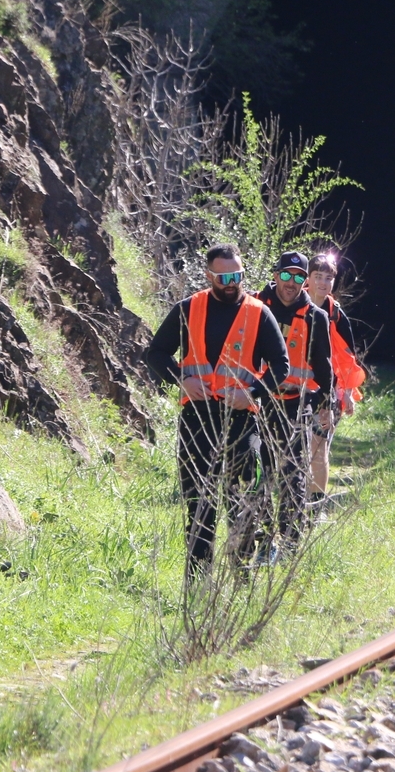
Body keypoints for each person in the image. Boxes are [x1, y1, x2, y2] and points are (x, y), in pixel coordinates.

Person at [146, 244, 288, 575]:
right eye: (223, 277)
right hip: (197, 418)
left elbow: (281, 365)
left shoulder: (258, 312)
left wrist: (252, 392)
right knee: (198, 503)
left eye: (237, 275)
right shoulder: (188, 308)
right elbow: (156, 353)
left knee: (243, 500)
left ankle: (241, 573)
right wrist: (181, 380)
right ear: (208, 275)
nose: (230, 283)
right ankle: (199, 580)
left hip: (241, 420)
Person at [256, 251, 333, 549]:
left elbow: (323, 365)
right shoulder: (254, 306)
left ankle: (290, 544)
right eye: (286, 274)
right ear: (275, 275)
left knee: (293, 474)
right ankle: (262, 540)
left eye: (298, 276)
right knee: (258, 472)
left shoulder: (316, 316)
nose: (291, 282)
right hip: (256, 402)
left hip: (296, 404)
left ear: (305, 281)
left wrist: (326, 404)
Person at [304, 252, 366, 505]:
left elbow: (348, 357)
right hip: (294, 388)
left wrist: (348, 393)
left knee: (319, 447)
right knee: (294, 449)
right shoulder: (290, 305)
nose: (323, 282)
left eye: (328, 278)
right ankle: (295, 501)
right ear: (307, 278)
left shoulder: (336, 314)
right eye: (318, 276)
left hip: (329, 391)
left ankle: (315, 505)